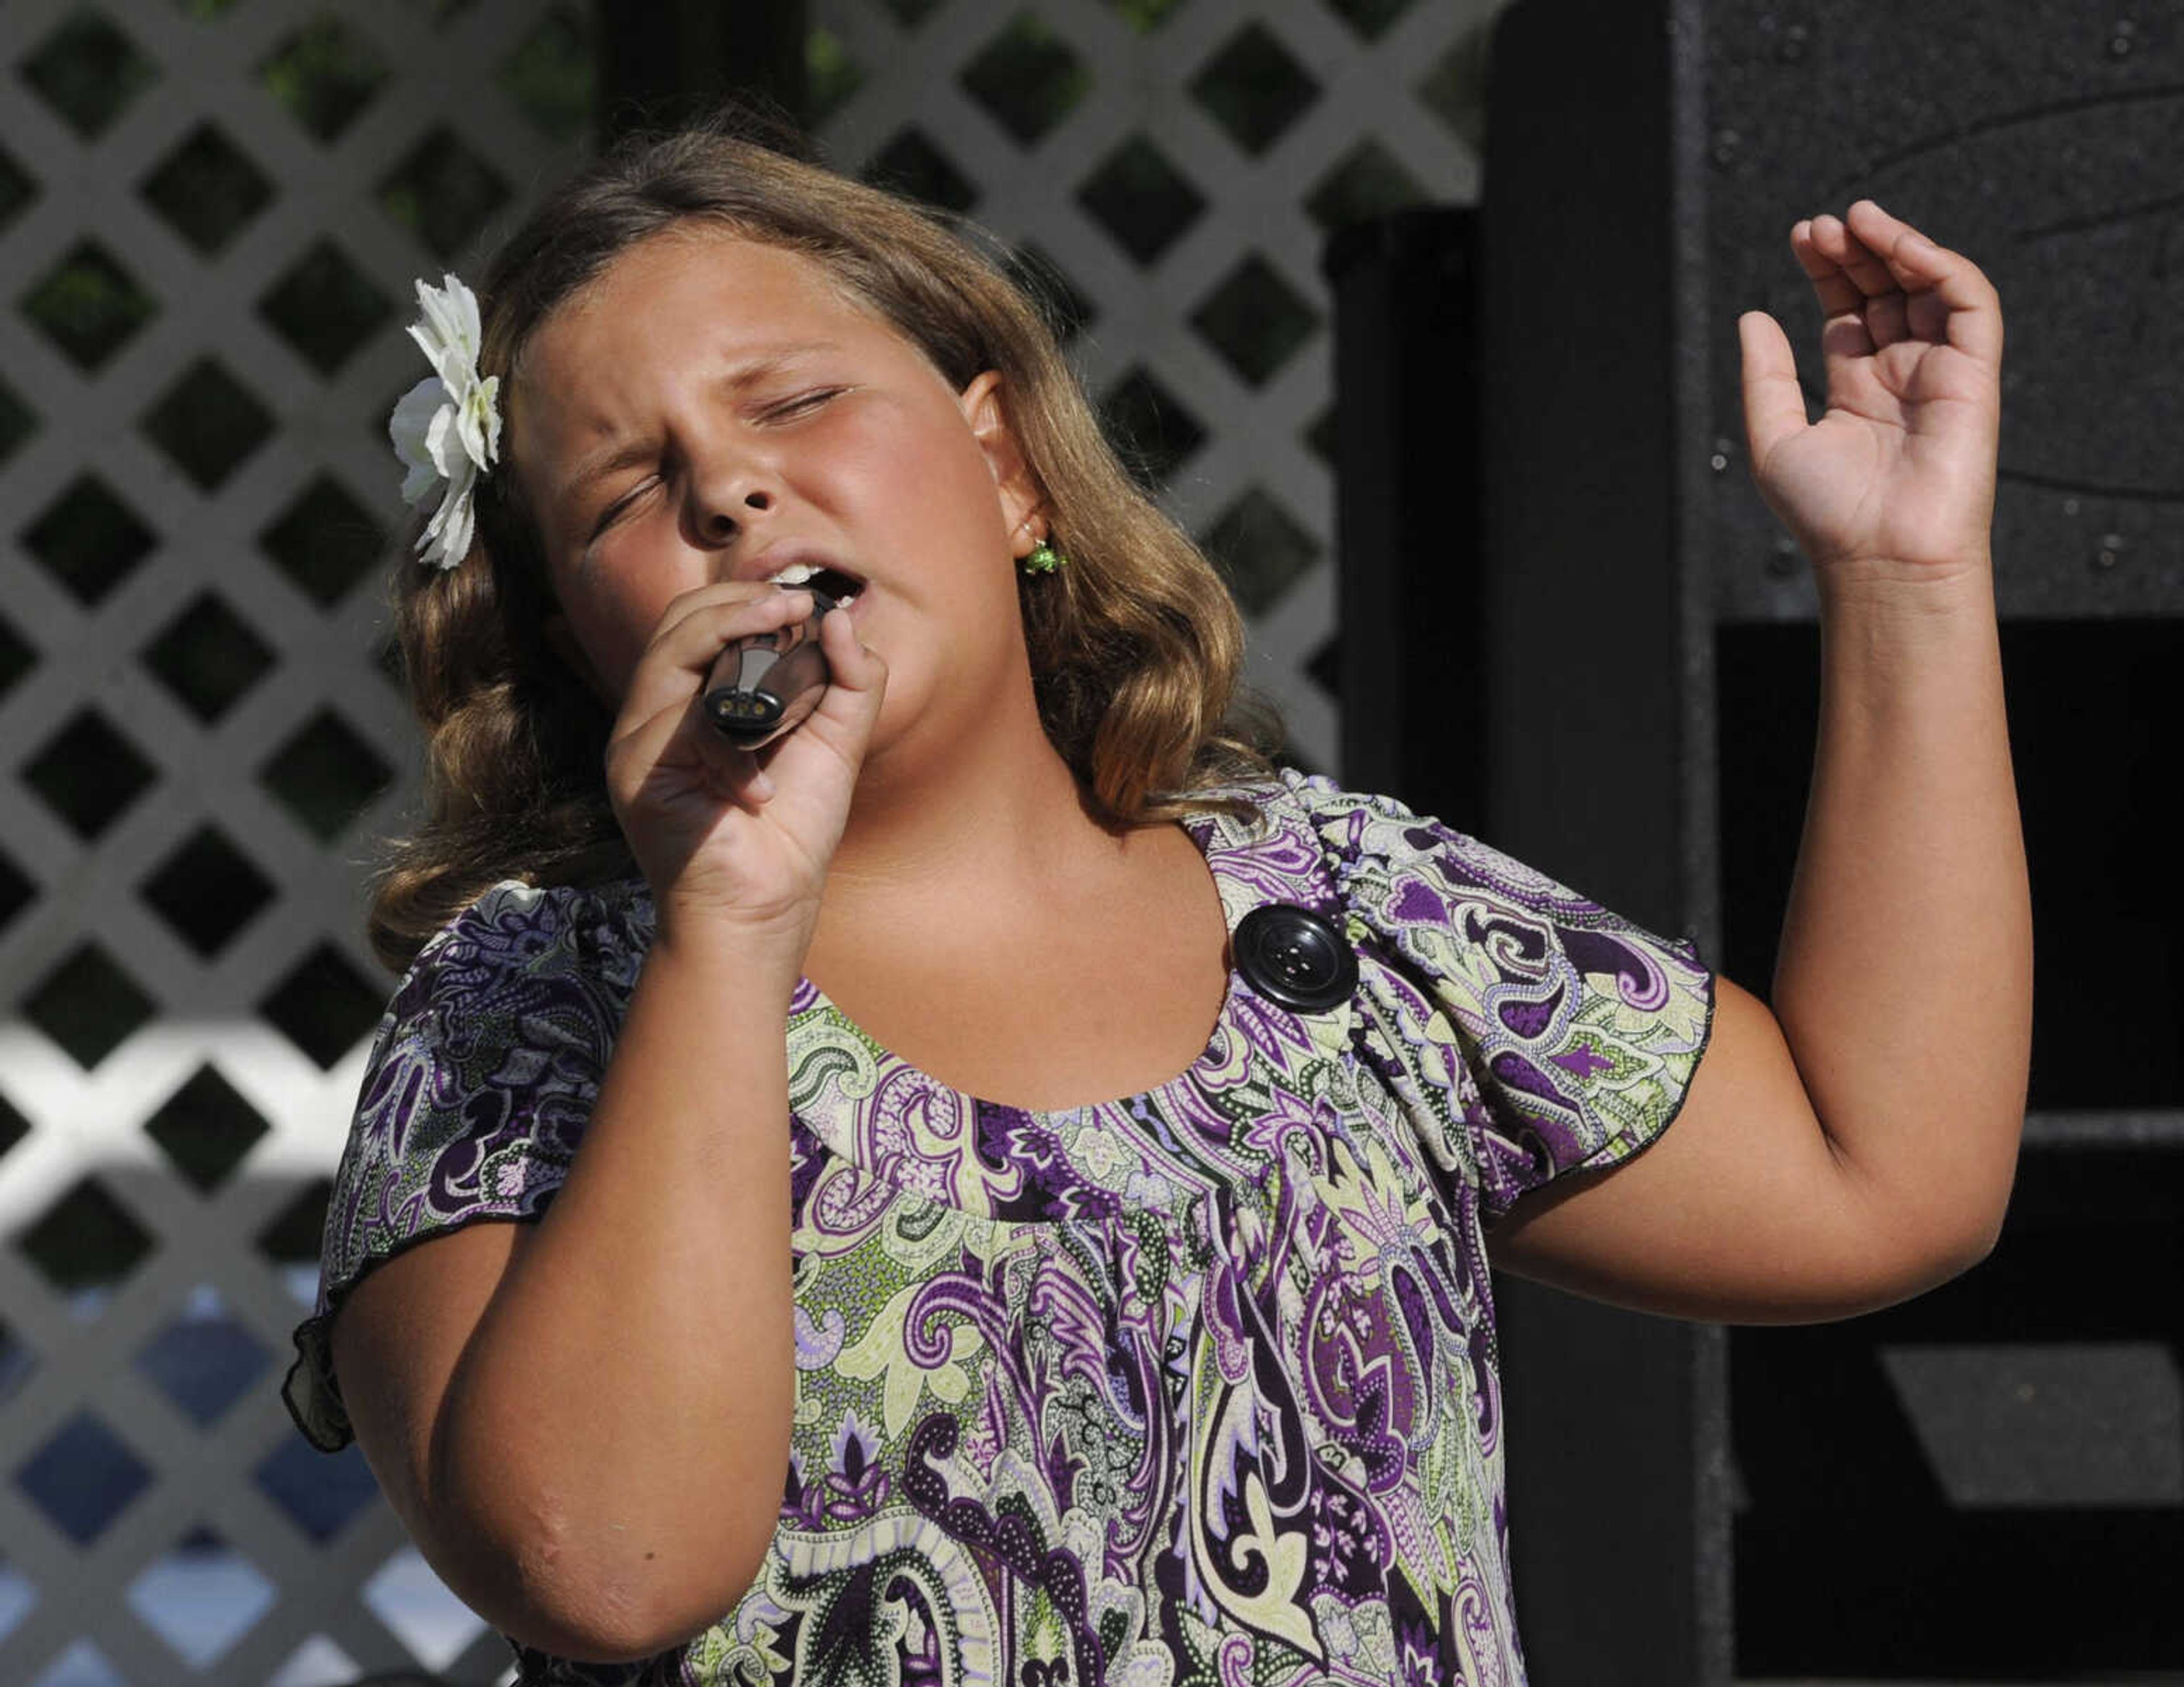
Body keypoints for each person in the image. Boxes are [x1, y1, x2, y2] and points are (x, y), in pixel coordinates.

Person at [280, 117, 2029, 1686]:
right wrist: (727, 916)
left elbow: (1879, 1176)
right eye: (627, 493)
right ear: (580, 643)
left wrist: (1907, 577)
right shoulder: (529, 1000)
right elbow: (602, 1564)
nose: (730, 490)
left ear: (1007, 467)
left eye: (796, 404)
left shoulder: (1347, 913)